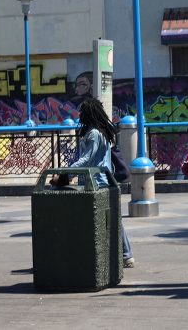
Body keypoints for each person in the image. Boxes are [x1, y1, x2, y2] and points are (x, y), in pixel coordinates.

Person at [61, 98, 135, 268]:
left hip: (97, 182)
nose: (80, 115)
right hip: (100, 180)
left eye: (82, 112)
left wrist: (66, 172)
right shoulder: (99, 132)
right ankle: (123, 254)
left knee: (108, 219)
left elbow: (87, 159)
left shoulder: (95, 134)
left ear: (89, 113)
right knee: (111, 219)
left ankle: (125, 254)